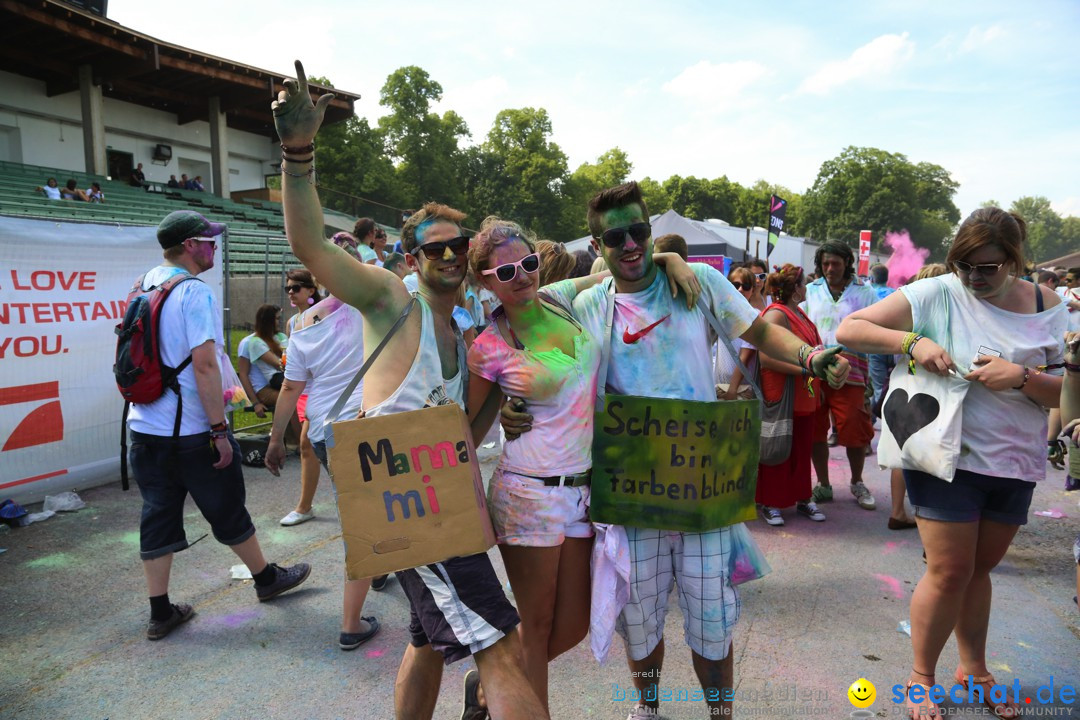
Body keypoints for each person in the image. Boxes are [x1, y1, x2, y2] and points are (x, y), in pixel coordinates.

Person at [501, 182, 849, 719]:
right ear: (598, 245)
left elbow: (757, 330)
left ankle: (719, 713)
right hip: (629, 495)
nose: (630, 244)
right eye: (614, 237)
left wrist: (810, 356)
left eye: (639, 232)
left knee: (711, 621)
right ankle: (649, 708)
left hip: (702, 491)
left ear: (650, 230)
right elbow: (521, 307)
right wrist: (510, 405)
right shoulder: (585, 303)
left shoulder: (701, 282)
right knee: (638, 625)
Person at [273, 60, 547, 720]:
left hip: (442, 501)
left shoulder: (472, 330)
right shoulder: (392, 300)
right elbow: (310, 244)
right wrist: (298, 151)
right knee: (502, 648)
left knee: (426, 643)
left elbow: (461, 437)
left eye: (458, 248)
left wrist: (499, 413)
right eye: (434, 250)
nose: (449, 257)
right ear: (410, 257)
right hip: (411, 511)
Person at [836, 207, 1066, 719]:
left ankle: (974, 668)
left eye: (987, 267)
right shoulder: (937, 292)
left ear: (1015, 260)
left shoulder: (1049, 305)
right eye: (965, 266)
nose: (974, 278)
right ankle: (922, 676)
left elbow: (1067, 396)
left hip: (1014, 460)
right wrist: (913, 340)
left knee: (980, 570)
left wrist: (1023, 378)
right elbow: (850, 329)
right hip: (945, 456)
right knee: (948, 570)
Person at [466, 218, 697, 713]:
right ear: (485, 280)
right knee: (538, 626)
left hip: (582, 493)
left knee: (574, 622)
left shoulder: (559, 299)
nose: (521, 276)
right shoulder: (488, 346)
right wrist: (505, 415)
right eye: (505, 272)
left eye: (528, 263)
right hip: (527, 495)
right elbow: (469, 424)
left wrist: (670, 257)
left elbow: (618, 268)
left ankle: (492, 688)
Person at [126, 210, 310, 641]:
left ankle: (160, 611)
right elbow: (205, 365)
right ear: (190, 245)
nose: (214, 246)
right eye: (208, 240)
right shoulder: (194, 291)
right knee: (226, 505)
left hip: (145, 426)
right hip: (189, 429)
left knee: (157, 514)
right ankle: (266, 580)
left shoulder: (143, 284)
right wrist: (216, 430)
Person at [264, 294, 382, 649]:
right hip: (363, 427)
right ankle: (350, 624)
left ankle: (381, 568)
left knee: (369, 515)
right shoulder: (373, 305)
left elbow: (290, 387)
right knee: (367, 524)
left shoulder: (301, 325)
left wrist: (274, 440)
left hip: (323, 431)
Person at [801, 240, 879, 511]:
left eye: (835, 263)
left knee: (855, 431)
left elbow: (875, 327)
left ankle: (857, 482)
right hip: (814, 372)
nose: (829, 268)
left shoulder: (865, 292)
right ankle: (823, 484)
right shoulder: (811, 290)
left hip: (853, 372)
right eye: (824, 264)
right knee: (815, 429)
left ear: (848, 262)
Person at [755, 265, 829, 526]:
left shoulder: (798, 313)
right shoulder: (777, 314)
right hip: (783, 394)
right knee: (777, 448)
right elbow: (766, 358)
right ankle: (770, 502)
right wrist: (806, 368)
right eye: (802, 283)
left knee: (800, 447)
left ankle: (802, 497)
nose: (806, 286)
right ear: (795, 289)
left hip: (803, 393)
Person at [279, 269, 321, 525]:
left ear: (311, 291)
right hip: (302, 389)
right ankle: (306, 506)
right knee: (310, 446)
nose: (291, 293)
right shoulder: (291, 323)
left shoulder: (320, 316)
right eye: (288, 289)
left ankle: (305, 506)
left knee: (307, 443)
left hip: (322, 387)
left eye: (296, 288)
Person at [715, 266, 760, 401]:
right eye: (735, 285)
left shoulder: (754, 315)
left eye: (745, 286)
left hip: (741, 390)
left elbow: (745, 356)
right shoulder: (719, 313)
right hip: (718, 387)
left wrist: (732, 389)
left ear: (752, 290)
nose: (740, 289)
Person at [236, 304, 287, 417]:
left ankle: (288, 433)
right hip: (263, 390)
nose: (280, 322)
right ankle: (286, 434)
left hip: (281, 383)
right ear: (268, 321)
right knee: (292, 400)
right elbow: (243, 375)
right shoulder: (248, 342)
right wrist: (255, 403)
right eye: (277, 319)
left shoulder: (279, 337)